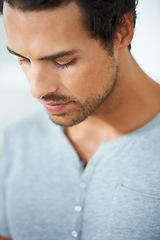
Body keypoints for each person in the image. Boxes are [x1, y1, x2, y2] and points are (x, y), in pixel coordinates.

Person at [0, 0, 160, 239]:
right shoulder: (20, 139)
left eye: (62, 61)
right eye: (23, 59)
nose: (36, 90)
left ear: (122, 31)